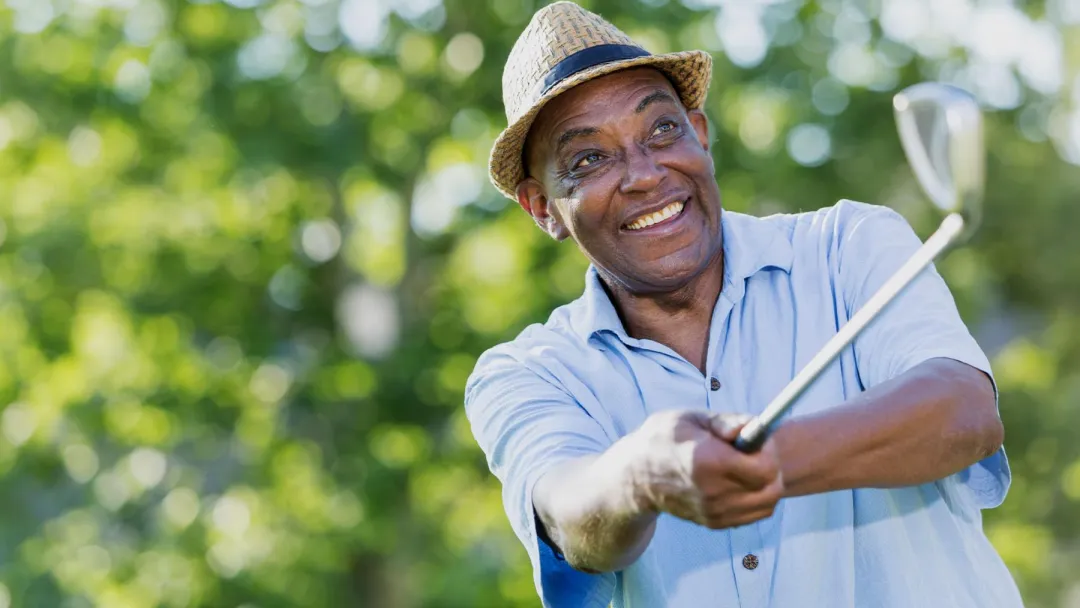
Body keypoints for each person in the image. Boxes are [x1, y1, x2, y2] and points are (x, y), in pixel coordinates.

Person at [465, 2, 1023, 607]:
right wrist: (645, 475)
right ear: (542, 207)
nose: (645, 175)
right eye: (589, 159)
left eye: (662, 130)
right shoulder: (527, 372)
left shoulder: (848, 245)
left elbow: (962, 412)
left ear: (700, 136)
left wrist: (764, 462)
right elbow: (568, 513)